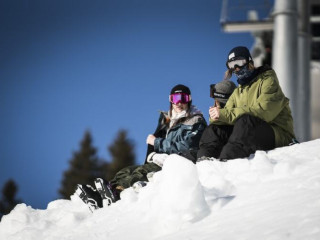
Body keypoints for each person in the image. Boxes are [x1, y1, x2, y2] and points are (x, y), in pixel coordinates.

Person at [75, 84, 207, 211]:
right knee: (126, 171)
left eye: (183, 98)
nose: (179, 103)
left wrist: (157, 142)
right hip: (162, 159)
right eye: (175, 99)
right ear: (171, 101)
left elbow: (187, 145)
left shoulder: (196, 121)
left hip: (178, 162)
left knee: (141, 173)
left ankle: (116, 192)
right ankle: (101, 195)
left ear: (189, 100)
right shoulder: (167, 120)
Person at [197, 46, 296, 161]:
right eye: (232, 65)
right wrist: (216, 115)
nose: (236, 68)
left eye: (239, 62)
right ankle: (204, 161)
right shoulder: (238, 91)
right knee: (215, 129)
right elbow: (226, 116)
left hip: (278, 134)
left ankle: (227, 161)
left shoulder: (268, 81)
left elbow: (264, 111)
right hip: (250, 132)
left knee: (246, 122)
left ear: (249, 61)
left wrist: (224, 114)